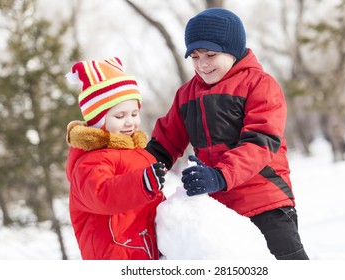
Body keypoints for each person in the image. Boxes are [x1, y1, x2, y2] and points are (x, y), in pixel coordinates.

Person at [145, 8, 309, 260]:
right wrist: (145, 168)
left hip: (265, 202)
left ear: (233, 50)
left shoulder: (259, 84)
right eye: (195, 56)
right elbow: (165, 142)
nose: (202, 64)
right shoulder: (186, 94)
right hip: (220, 209)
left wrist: (221, 175)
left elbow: (261, 141)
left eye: (210, 54)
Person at [65, 57, 166, 260]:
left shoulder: (137, 152)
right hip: (114, 254)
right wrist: (143, 183)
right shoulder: (91, 160)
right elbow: (101, 193)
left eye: (134, 113)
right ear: (97, 121)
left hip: (143, 248)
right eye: (119, 117)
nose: (129, 122)